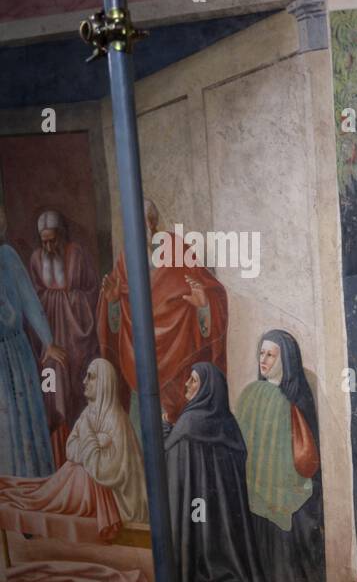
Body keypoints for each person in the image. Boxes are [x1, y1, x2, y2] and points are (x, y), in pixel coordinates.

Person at [164, 362, 319, 582]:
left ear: (208, 388)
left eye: (193, 382)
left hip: (198, 524)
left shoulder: (189, 425)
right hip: (227, 534)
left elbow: (174, 468)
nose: (187, 387)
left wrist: (164, 430)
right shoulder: (230, 425)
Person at [98, 198, 228, 428]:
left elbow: (213, 294)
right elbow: (117, 322)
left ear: (152, 223)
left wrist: (203, 304)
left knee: (179, 437)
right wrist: (114, 303)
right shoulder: (125, 260)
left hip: (179, 362)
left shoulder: (177, 249)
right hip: (138, 363)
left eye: (140, 224)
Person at [234, 330, 327, 582]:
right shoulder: (250, 394)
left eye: (270, 354)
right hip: (255, 487)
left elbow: (307, 451)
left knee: (291, 545)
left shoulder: (298, 398)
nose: (263, 360)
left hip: (291, 490)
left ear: (285, 359)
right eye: (261, 353)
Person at [0, 358, 146, 540]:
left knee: (75, 476)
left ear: (103, 383)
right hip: (83, 487)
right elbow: (71, 448)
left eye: (91, 377)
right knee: (71, 472)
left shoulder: (116, 420)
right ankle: (42, 499)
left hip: (119, 501)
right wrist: (95, 442)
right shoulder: (88, 413)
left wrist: (87, 442)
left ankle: (44, 501)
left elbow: (107, 471)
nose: (84, 381)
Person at [26, 210, 98, 465]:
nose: (48, 246)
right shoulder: (36, 259)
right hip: (49, 339)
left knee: (79, 388)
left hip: (77, 336)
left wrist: (66, 300)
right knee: (51, 383)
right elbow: (33, 301)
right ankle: (56, 455)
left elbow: (91, 291)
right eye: (43, 241)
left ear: (61, 236)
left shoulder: (76, 253)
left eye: (52, 240)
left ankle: (82, 454)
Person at [0, 203, 61, 477]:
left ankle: (31, 484)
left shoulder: (8, 255)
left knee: (23, 420)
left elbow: (29, 300)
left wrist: (48, 341)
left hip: (15, 349)